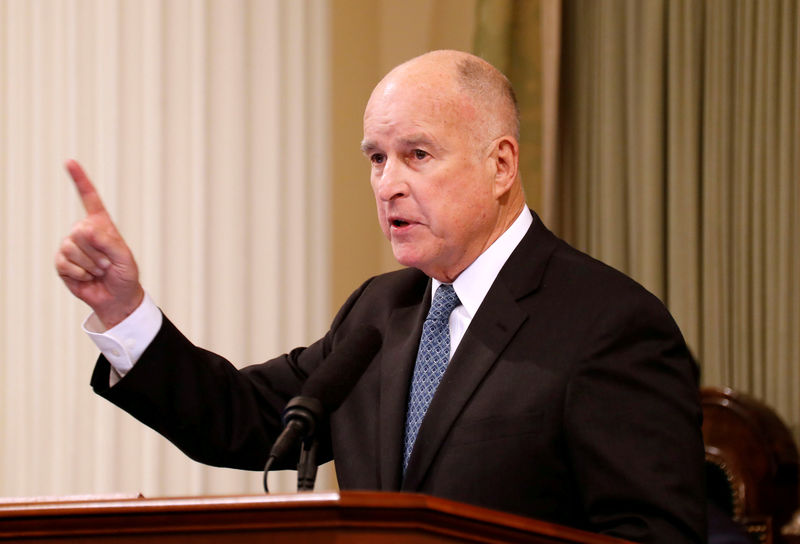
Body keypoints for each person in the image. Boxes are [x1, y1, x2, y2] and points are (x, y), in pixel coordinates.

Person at [55, 50, 706, 543]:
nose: (388, 184)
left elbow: (655, 537)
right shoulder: (380, 313)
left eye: (417, 155)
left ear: (501, 165)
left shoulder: (608, 324)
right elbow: (245, 419)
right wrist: (123, 311)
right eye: (376, 158)